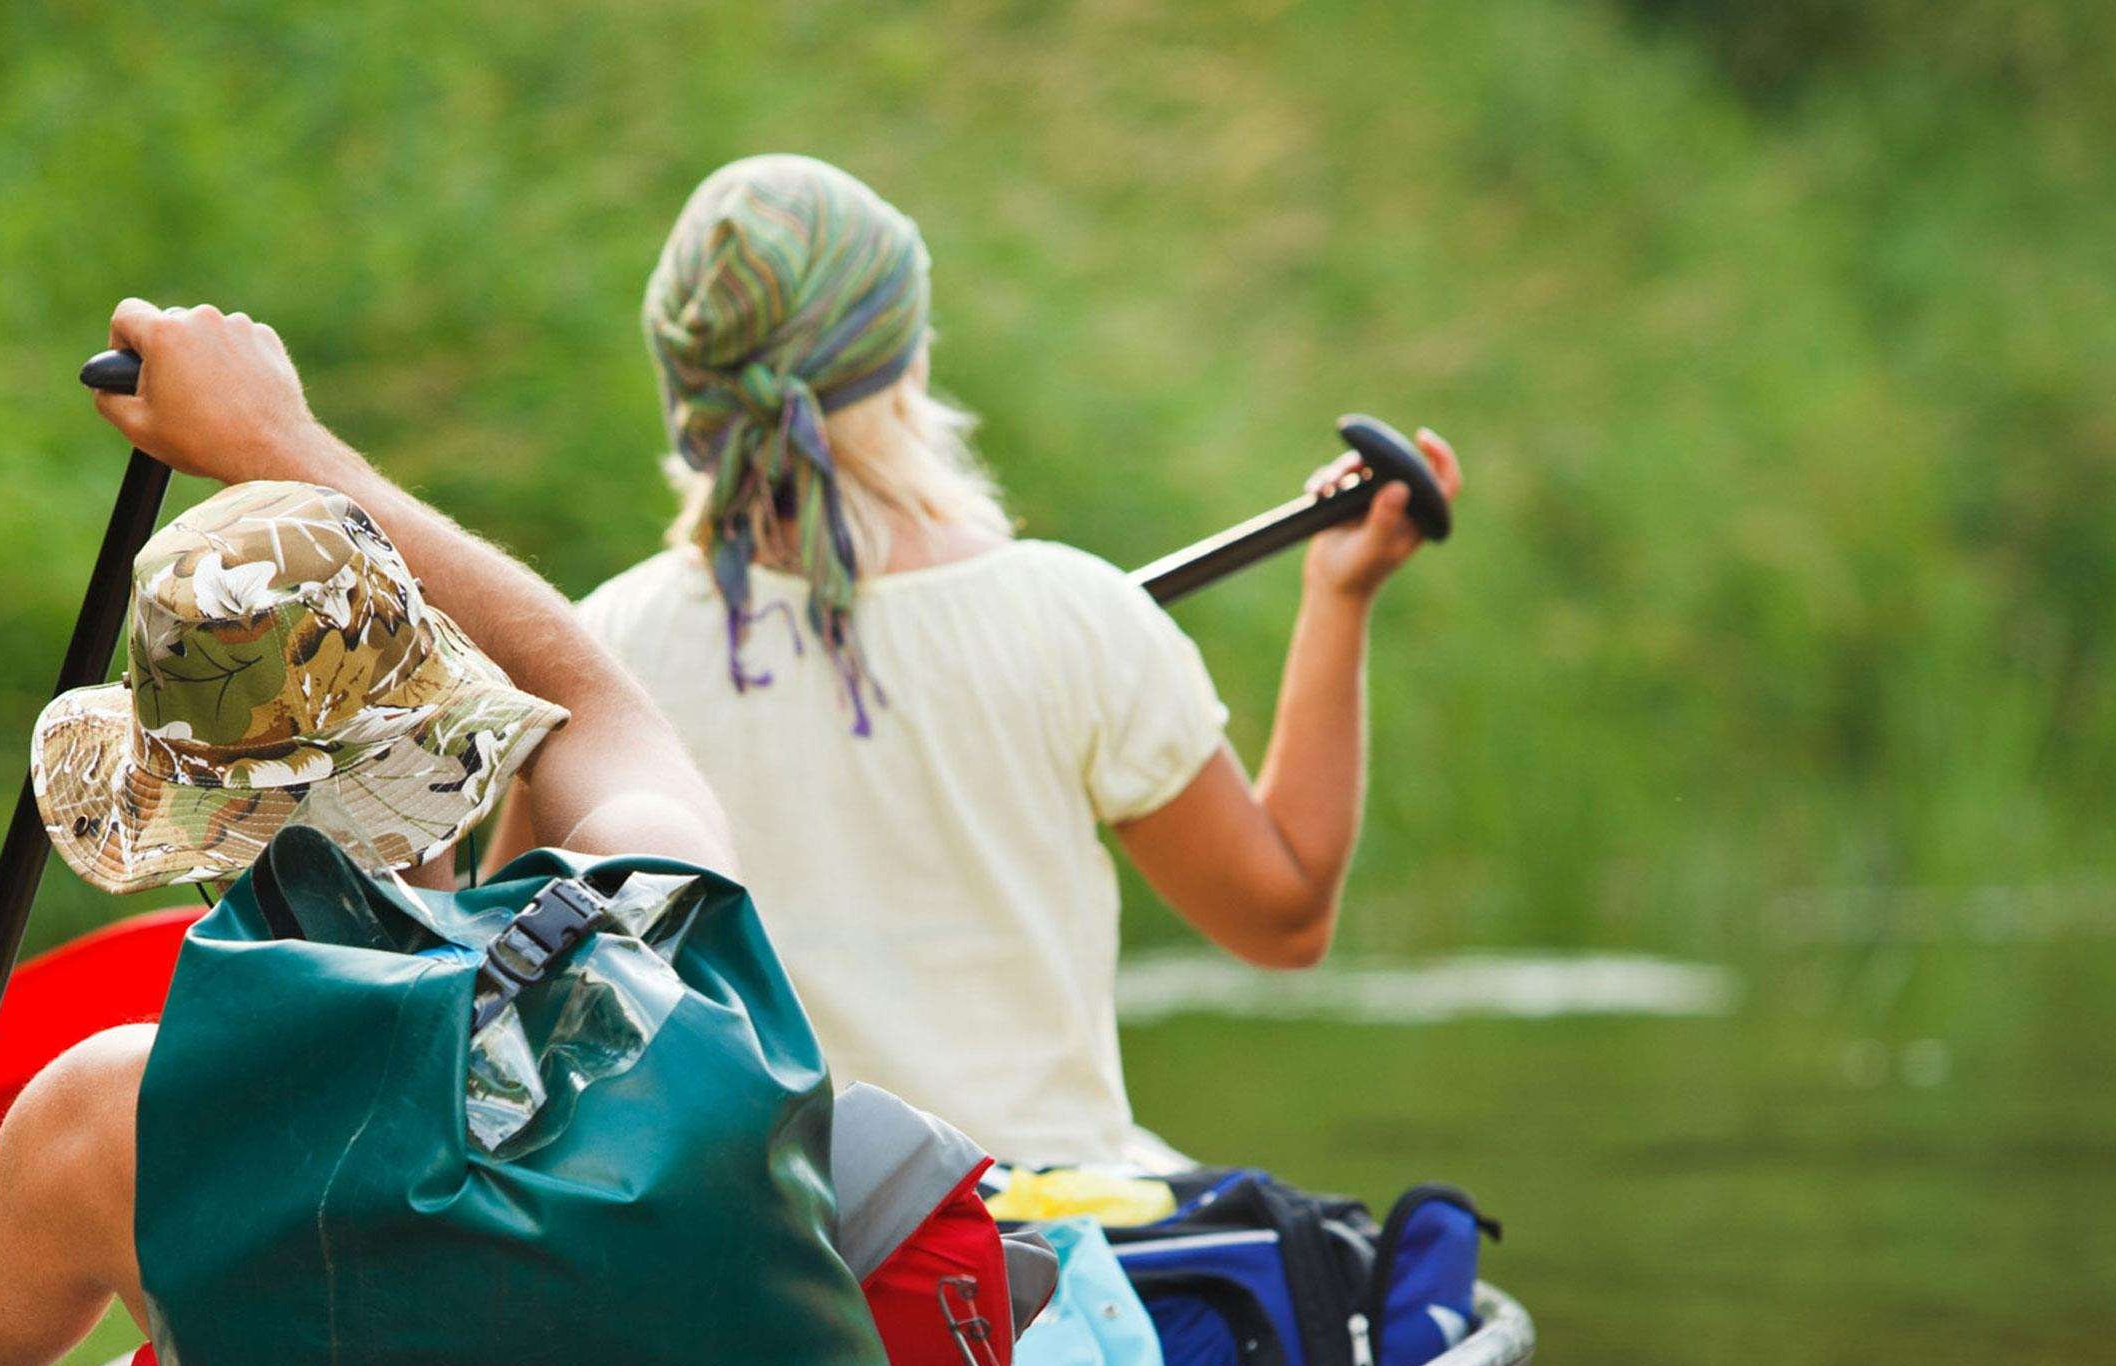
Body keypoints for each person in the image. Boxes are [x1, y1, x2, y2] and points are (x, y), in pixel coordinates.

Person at [0, 301, 740, 1366]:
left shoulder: (120, 1108)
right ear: (459, 742)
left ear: (183, 831)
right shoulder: (649, 895)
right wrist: (277, 441)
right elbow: (590, 697)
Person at [567, 154, 1458, 1170]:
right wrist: (1339, 594)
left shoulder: (603, 647)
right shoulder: (1074, 616)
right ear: (904, 360)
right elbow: (1284, 917)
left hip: (749, 1257)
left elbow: (521, 968)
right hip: (1036, 1265)